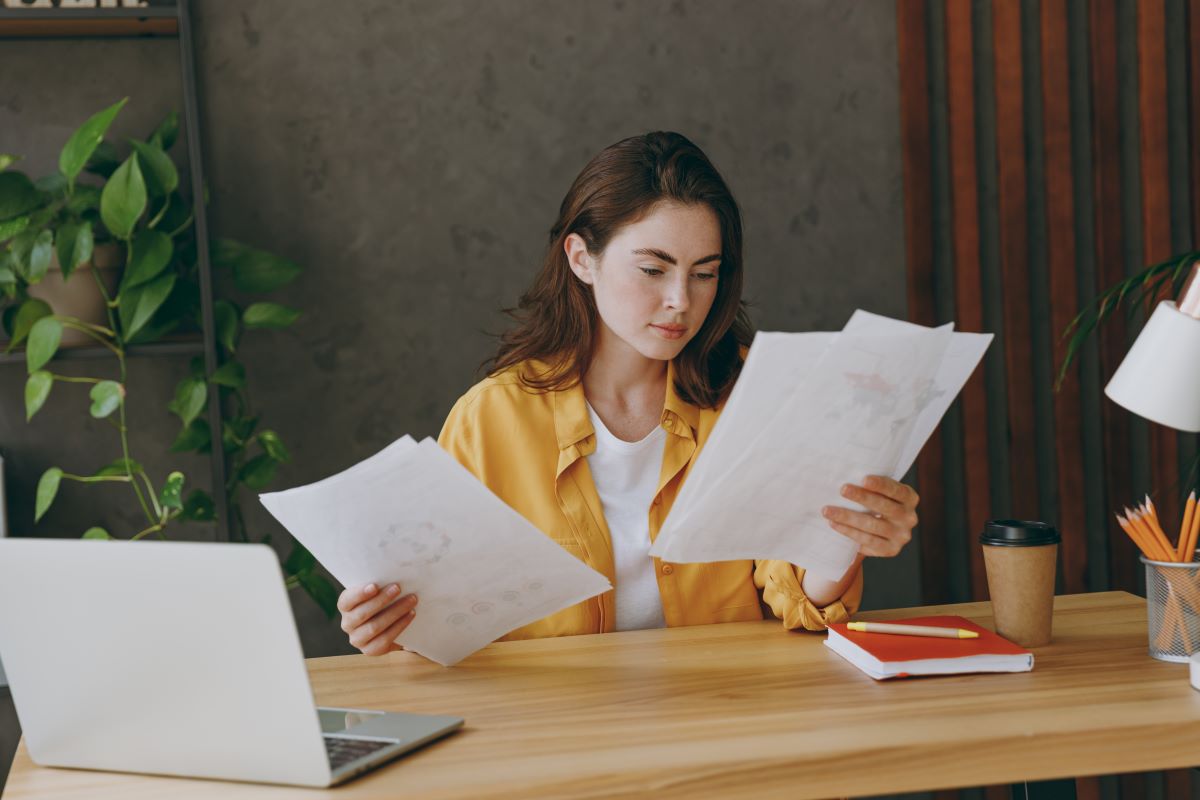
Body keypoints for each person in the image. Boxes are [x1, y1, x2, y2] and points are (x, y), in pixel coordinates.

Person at [337, 132, 919, 656]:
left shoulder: (753, 397)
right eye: (653, 269)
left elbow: (795, 599)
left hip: (732, 714)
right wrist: (390, 625)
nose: (680, 301)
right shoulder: (490, 418)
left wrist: (845, 544)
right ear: (581, 258)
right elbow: (450, 623)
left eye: (704, 272)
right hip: (560, 738)